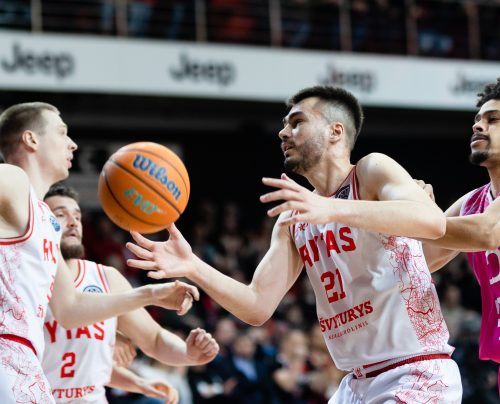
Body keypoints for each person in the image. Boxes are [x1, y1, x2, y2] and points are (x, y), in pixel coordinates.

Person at [126, 86, 462, 403]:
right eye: (284, 125)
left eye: (297, 122)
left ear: (335, 131)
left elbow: (432, 221)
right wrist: (194, 267)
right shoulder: (295, 218)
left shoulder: (370, 171)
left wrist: (330, 207)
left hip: (416, 369)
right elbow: (257, 305)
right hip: (356, 384)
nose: (283, 133)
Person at [0, 102, 198, 403]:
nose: (72, 143)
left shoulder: (45, 222)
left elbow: (71, 309)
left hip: (24, 363)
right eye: (62, 132)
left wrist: (151, 295)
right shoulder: (14, 181)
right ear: (31, 140)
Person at [42, 184, 220, 403]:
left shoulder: (106, 278)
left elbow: (154, 339)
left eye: (77, 216)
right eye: (60, 214)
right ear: (40, 223)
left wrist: (188, 354)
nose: (72, 222)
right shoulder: (22, 280)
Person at [421, 78, 500, 394]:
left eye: (493, 119)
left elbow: (488, 231)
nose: (479, 126)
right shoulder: (473, 203)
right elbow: (423, 258)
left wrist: (413, 220)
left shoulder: (482, 219)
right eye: (477, 120)